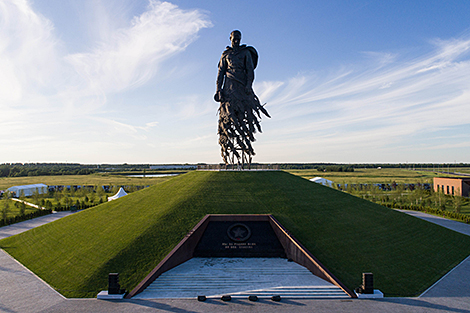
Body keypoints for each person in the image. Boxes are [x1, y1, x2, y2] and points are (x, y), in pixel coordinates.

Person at [215, 30, 270, 166]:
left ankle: (246, 150)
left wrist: (248, 86)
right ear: (230, 38)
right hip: (228, 88)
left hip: (242, 86)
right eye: (234, 38)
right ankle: (228, 155)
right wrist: (218, 90)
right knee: (228, 118)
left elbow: (250, 70)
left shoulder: (245, 52)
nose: (236, 41)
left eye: (238, 39)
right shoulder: (225, 55)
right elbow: (220, 73)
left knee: (245, 119)